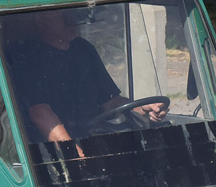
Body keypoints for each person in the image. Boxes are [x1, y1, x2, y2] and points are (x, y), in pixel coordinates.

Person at [12, 8, 168, 148]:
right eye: (61, 11)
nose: (71, 18)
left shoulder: (83, 49)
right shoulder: (28, 56)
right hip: (49, 156)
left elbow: (110, 101)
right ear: (40, 20)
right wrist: (73, 153)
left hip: (93, 142)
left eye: (72, 11)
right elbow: (40, 113)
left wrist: (141, 109)